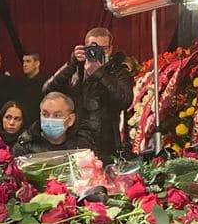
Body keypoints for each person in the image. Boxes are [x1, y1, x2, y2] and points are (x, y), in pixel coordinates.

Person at [42, 27, 135, 160]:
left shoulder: (119, 71)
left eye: (103, 49)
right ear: (85, 48)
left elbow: (124, 100)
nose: (98, 52)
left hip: (106, 146)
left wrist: (99, 73)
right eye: (93, 48)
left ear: (110, 49)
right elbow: (47, 91)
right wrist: (70, 64)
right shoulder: (75, 70)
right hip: (74, 143)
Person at [13, 92, 93, 156]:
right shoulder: (25, 146)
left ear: (70, 120)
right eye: (45, 114)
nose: (50, 119)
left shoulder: (82, 147)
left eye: (57, 115)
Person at [12, 51, 44, 127]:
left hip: (37, 125)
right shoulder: (19, 83)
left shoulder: (44, 83)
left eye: (28, 61)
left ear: (37, 64)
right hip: (20, 124)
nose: (24, 64)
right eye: (23, 61)